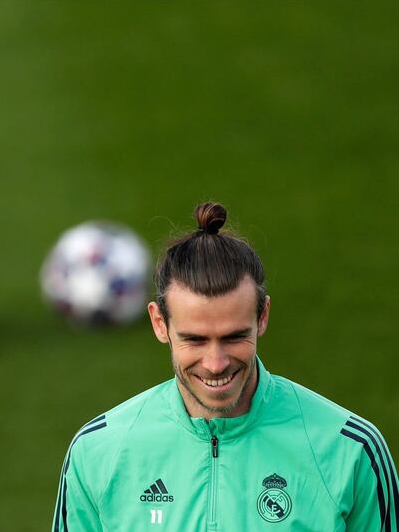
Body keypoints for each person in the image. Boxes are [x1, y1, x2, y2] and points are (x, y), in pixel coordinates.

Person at [52, 202, 397, 531]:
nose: (216, 364)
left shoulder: (350, 450)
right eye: (195, 340)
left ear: (262, 317)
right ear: (159, 324)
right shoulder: (98, 452)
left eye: (234, 337)